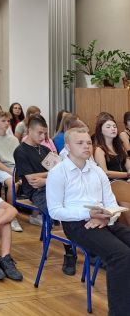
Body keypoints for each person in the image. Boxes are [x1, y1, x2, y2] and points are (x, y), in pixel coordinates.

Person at [47, 126, 130, 316]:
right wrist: (89, 214)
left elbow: (110, 202)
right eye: (80, 143)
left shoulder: (97, 171)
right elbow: (55, 211)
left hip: (104, 220)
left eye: (89, 142)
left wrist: (107, 217)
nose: (86, 146)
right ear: (68, 147)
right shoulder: (58, 173)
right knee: (121, 255)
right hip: (76, 224)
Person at [14, 115, 75, 274]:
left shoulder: (46, 149)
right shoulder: (20, 151)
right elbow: (31, 179)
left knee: (76, 204)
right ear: (29, 130)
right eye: (40, 133)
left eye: (45, 133)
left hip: (53, 186)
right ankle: (70, 251)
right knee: (60, 211)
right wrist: (50, 175)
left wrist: (46, 178)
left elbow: (61, 171)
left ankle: (85, 243)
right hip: (36, 192)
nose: (43, 137)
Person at [0, 111, 23, 232]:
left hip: (14, 168)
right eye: (3, 121)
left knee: (35, 180)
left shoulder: (14, 139)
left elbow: (19, 158)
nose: (6, 123)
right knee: (12, 183)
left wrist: (18, 171)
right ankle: (11, 217)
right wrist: (11, 172)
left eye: (8, 121)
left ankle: (35, 215)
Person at [92, 114, 130, 180]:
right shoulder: (99, 149)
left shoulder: (120, 146)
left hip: (126, 180)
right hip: (112, 183)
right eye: (108, 127)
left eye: (114, 126)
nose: (113, 129)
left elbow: (128, 165)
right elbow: (105, 173)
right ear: (100, 131)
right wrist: (127, 175)